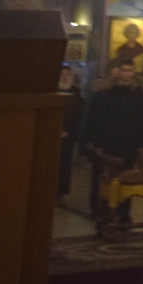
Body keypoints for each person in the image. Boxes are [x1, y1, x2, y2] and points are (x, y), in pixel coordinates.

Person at [85, 58, 143, 224]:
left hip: (129, 144)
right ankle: (99, 210)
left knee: (126, 180)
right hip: (107, 144)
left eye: (130, 71)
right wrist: (96, 143)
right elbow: (98, 119)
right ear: (119, 72)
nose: (127, 74)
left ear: (134, 72)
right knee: (102, 179)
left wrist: (142, 144)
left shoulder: (139, 94)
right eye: (124, 70)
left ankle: (123, 213)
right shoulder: (107, 93)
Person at [57, 65, 85, 201]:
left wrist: (68, 131)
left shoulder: (75, 92)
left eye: (67, 75)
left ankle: (60, 193)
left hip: (68, 135)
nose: (64, 77)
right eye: (62, 74)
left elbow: (78, 115)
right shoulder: (54, 90)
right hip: (52, 134)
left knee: (65, 165)